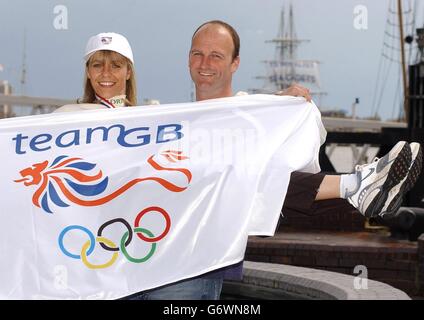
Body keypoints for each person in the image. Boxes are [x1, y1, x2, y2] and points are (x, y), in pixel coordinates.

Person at [133, 20, 422, 300]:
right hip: (137, 263)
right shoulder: (170, 126)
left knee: (252, 171)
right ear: (188, 59)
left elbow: (282, 163)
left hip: (193, 269)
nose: (205, 63)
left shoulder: (251, 122)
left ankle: (357, 186)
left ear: (235, 63)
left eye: (216, 55)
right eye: (198, 53)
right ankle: (356, 187)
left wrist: (280, 106)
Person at [55, 32, 137, 113]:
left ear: (128, 72)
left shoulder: (143, 118)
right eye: (97, 65)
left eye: (115, 66)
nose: (105, 73)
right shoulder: (66, 114)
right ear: (88, 71)